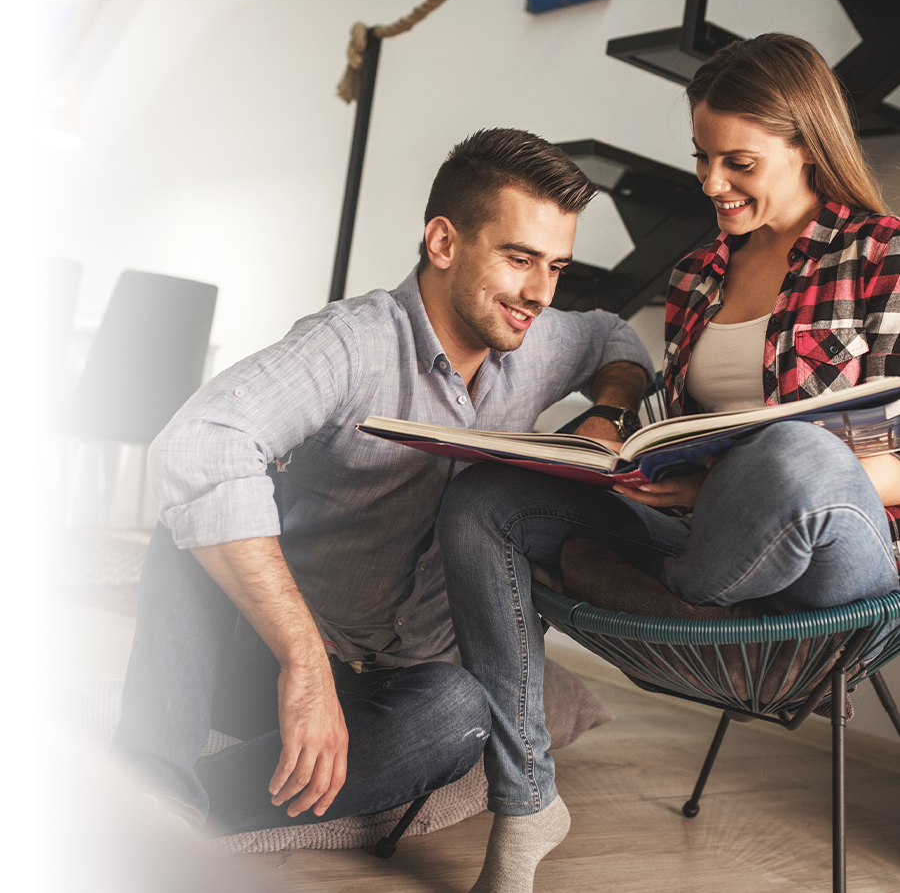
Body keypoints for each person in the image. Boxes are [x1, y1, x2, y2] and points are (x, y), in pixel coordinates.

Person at [110, 127, 656, 888]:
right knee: (186, 531)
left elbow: (613, 339)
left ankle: (183, 811)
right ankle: (153, 785)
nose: (541, 292)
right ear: (442, 242)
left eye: (556, 265)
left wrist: (609, 415)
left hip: (392, 688)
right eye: (520, 258)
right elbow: (195, 445)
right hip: (267, 653)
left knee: (459, 715)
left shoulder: (536, 341)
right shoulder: (350, 342)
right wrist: (304, 663)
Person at [438, 33, 900, 891]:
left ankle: (659, 590)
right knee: (485, 499)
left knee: (795, 454)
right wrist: (608, 439)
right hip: (695, 532)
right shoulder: (696, 276)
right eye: (702, 158)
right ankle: (526, 799)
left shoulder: (882, 254)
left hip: (837, 554)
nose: (711, 183)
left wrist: (727, 479)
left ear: (807, 144)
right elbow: (672, 423)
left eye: (739, 161)